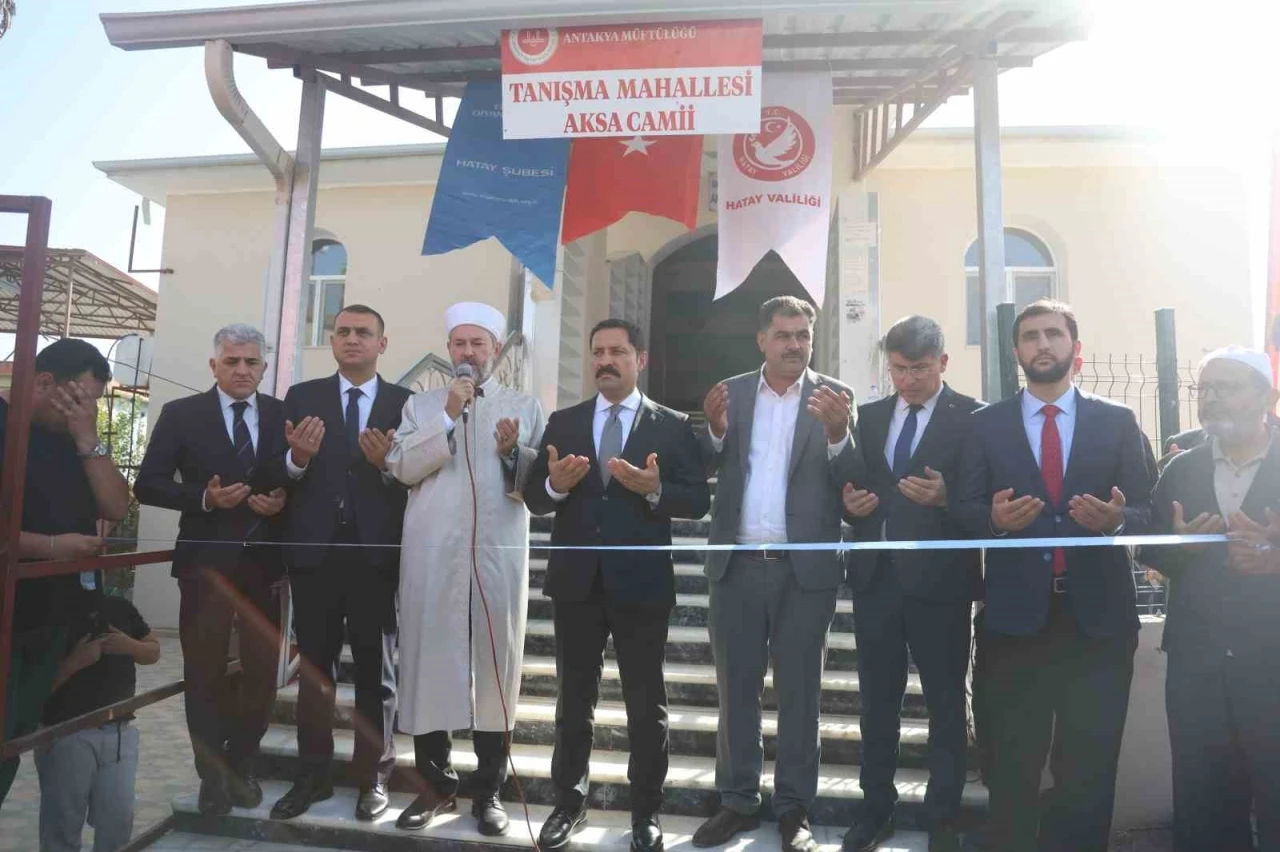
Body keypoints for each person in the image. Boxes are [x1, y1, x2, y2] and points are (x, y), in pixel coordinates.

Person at [953, 300, 1153, 852]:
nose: (1042, 344)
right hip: (1015, 624)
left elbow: (1150, 509)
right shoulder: (985, 425)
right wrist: (993, 520)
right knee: (1011, 764)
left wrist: (1117, 522)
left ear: (1075, 348)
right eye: (1030, 336)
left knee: (1088, 767)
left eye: (1053, 334)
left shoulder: (1117, 421)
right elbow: (963, 509)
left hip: (1098, 624)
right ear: (1017, 352)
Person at [523, 318, 709, 852]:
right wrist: (555, 486)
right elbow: (535, 497)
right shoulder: (564, 422)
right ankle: (568, 803)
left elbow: (698, 500)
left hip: (641, 585)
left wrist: (655, 490)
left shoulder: (672, 425)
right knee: (572, 702)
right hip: (577, 584)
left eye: (618, 352)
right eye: (598, 352)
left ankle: (646, 812)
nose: (606, 361)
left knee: (645, 706)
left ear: (640, 359)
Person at [692, 296, 860, 852]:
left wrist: (839, 435)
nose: (794, 344)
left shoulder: (835, 399)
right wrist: (715, 432)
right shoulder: (731, 394)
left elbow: (854, 479)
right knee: (736, 692)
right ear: (761, 340)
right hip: (736, 568)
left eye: (803, 335)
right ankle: (738, 801)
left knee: (800, 696)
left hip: (803, 574)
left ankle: (794, 809)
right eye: (783, 335)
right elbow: (700, 465)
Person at [384, 302, 545, 836]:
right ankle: (435, 787)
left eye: (478, 344)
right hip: (433, 556)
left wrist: (512, 453)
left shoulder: (525, 406)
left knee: (496, 669)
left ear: (495, 350)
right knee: (430, 666)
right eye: (460, 344)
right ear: (448, 349)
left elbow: (540, 487)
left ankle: (489, 792)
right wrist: (448, 415)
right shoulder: (421, 405)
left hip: (497, 558)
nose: (468, 353)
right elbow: (403, 466)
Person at [839, 316, 982, 852]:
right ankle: (875, 809)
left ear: (942, 362)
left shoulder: (974, 418)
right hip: (877, 582)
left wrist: (948, 499)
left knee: (945, 705)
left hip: (942, 587)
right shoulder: (870, 417)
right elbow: (852, 486)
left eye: (919, 369)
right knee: (877, 704)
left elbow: (983, 501)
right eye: (898, 369)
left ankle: (943, 816)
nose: (908, 380)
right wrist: (850, 507)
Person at [135, 323, 290, 816]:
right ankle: (212, 777)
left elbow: (299, 484)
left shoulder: (283, 415)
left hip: (266, 565)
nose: (242, 370)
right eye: (231, 361)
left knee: (262, 673)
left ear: (264, 368)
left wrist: (282, 502)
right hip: (205, 566)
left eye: (251, 362)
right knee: (203, 673)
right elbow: (148, 484)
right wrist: (203, 497)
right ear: (214, 365)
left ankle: (243, 764)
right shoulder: (181, 414)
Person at [268, 305, 410, 822]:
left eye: (363, 332)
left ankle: (373, 777)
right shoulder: (302, 397)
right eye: (343, 331)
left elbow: (416, 478)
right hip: (316, 555)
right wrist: (297, 459)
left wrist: (386, 465)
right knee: (314, 673)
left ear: (382, 344)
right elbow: (278, 470)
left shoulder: (405, 404)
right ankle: (313, 776)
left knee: (377, 672)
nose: (352, 339)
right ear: (332, 340)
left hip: (376, 556)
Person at [1144, 346, 1280, 851]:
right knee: (1204, 804)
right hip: (1198, 668)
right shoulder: (1181, 469)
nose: (1212, 399)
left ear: (1266, 397)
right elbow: (1150, 549)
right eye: (1204, 389)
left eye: (1227, 387)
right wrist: (1180, 547)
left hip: (1273, 663)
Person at [0, 338, 130, 805]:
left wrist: (87, 438)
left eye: (92, 403)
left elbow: (116, 505)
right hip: (9, 609)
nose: (86, 411)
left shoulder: (72, 437)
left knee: (15, 736)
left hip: (51, 618)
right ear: (43, 382)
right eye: (80, 399)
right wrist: (52, 547)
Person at [34, 590, 160, 852]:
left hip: (119, 733)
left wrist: (129, 645)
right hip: (67, 734)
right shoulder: (48, 612)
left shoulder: (120, 606)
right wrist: (74, 663)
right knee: (61, 831)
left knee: (118, 826)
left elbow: (153, 651)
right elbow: (33, 692)